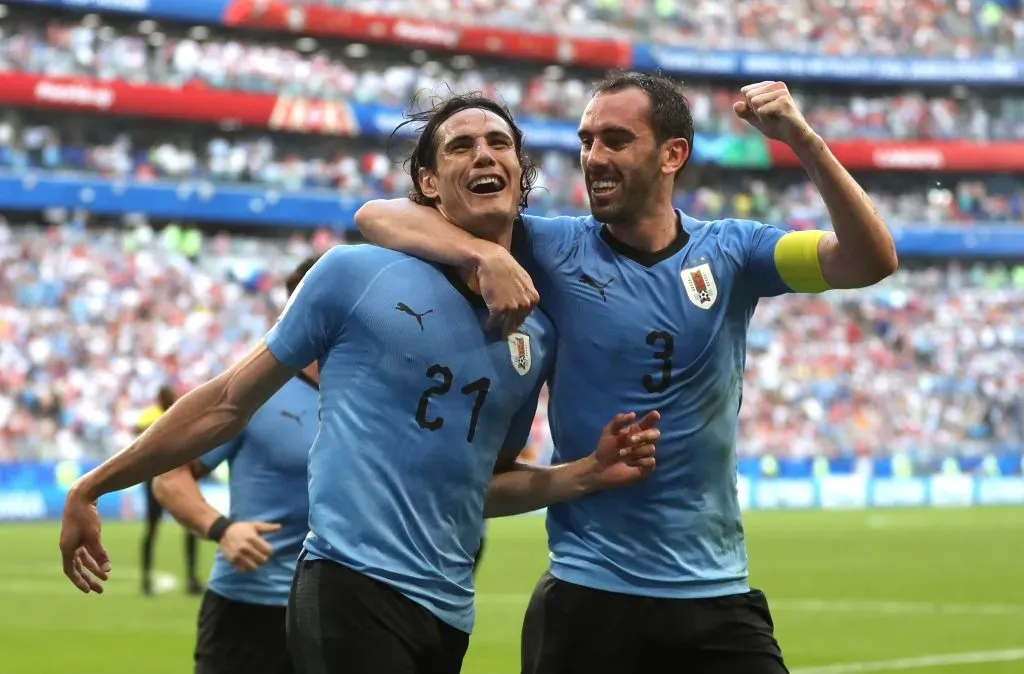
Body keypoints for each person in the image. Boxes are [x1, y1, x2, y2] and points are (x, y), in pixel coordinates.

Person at [58, 94, 661, 674]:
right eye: (460, 147)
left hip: (448, 612)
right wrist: (93, 487)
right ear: (428, 184)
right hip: (348, 587)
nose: (483, 154)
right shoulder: (354, 275)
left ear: (518, 174)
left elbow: (481, 487)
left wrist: (585, 473)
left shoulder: (537, 335)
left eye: (498, 143)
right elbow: (225, 403)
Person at [354, 75, 899, 674]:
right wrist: (484, 254)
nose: (594, 158)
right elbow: (377, 215)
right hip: (589, 595)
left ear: (672, 155)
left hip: (714, 593)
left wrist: (803, 140)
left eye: (616, 140)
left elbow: (870, 259)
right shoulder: (551, 246)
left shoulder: (736, 252)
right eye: (588, 141)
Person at [151, 256, 321, 674]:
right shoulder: (254, 391)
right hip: (248, 609)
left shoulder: (372, 397)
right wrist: (222, 529)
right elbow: (170, 477)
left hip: (336, 612)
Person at [136, 384, 202, 597]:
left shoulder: (165, 416)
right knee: (165, 529)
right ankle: (187, 578)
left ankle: (150, 580)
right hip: (164, 479)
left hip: (166, 479)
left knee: (158, 530)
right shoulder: (174, 416)